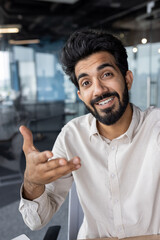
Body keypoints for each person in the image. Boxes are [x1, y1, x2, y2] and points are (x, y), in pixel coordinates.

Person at [19, 29, 160, 239]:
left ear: (127, 79)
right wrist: (32, 182)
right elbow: (36, 221)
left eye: (106, 74)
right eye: (86, 83)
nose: (99, 90)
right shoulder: (72, 135)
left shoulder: (156, 128)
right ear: (81, 96)